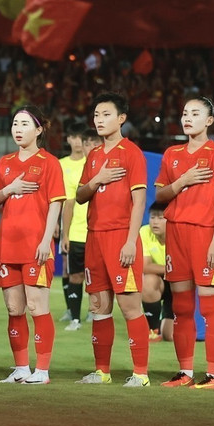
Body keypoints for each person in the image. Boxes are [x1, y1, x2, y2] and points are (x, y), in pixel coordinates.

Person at [154, 97, 214, 389]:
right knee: (182, 308)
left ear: (209, 120)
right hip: (176, 235)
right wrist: (183, 180)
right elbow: (161, 197)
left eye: (195, 113)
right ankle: (185, 372)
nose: (188, 118)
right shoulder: (171, 154)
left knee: (211, 309)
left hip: (205, 235)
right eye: (185, 113)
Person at [76, 92, 150, 387]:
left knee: (130, 306)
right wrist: (98, 179)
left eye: (106, 114)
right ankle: (102, 371)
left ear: (121, 118)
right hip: (94, 237)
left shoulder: (132, 152)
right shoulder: (93, 156)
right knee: (98, 306)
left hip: (121, 237)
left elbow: (140, 200)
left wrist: (131, 241)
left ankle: (141, 374)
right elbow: (81, 195)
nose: (99, 120)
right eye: (96, 115)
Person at [0, 105, 65, 384]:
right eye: (15, 124)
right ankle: (21, 368)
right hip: (8, 245)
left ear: (39, 130)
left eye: (24, 124)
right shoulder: (5, 163)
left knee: (36, 305)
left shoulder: (49, 162)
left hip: (36, 246)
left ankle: (41, 370)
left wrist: (48, 239)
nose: (17, 129)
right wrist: (9, 189)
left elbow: (56, 203)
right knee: (13, 308)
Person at [59, 123, 90, 331]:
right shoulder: (60, 164)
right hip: (69, 224)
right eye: (74, 137)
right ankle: (73, 311)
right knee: (68, 270)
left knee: (93, 274)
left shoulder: (93, 163)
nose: (78, 142)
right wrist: (59, 227)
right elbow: (62, 199)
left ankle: (93, 312)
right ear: (68, 139)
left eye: (82, 138)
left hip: (93, 227)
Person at [138, 203, 171, 342]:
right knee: (148, 281)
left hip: (179, 285)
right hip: (162, 281)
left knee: (170, 336)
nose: (155, 222)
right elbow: (144, 267)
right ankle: (153, 329)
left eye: (160, 218)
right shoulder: (144, 232)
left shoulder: (178, 234)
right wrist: (170, 269)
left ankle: (167, 319)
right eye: (152, 217)